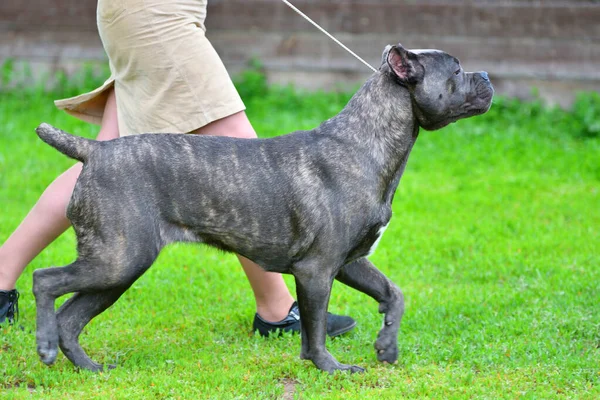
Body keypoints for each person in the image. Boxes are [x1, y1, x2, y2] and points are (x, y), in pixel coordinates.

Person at [0, 0, 356, 337]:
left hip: (148, 13)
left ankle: (0, 276)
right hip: (156, 14)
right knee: (241, 155)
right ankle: (277, 310)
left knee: (105, 165)